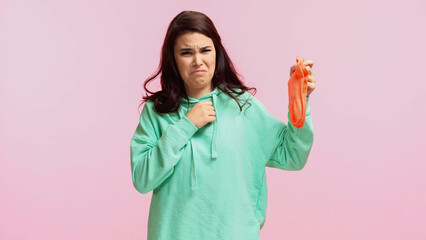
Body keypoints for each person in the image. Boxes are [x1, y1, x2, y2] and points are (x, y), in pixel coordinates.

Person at [130, 10, 316, 240]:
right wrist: (186, 125)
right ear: (173, 59)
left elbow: (293, 155)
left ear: (217, 52)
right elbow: (141, 178)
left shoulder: (243, 107)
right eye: (186, 52)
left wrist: (299, 100)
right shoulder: (157, 111)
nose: (198, 60)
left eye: (205, 50)